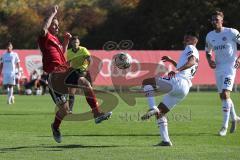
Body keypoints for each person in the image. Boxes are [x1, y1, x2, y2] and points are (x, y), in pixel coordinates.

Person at [37, 5, 111, 143]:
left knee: (85, 83)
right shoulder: (45, 37)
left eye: (58, 25)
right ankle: (55, 126)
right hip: (54, 77)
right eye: (54, 25)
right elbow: (43, 29)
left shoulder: (55, 40)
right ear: (49, 24)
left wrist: (64, 43)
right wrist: (52, 14)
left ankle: (97, 113)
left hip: (64, 72)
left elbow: (62, 57)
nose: (57, 28)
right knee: (64, 111)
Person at [141, 31, 199, 146]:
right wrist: (172, 61)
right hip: (184, 89)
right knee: (161, 113)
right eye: (184, 38)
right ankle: (166, 140)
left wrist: (177, 70)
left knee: (147, 82)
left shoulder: (190, 47)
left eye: (188, 37)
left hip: (179, 81)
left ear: (195, 40)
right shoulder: (194, 51)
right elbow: (188, 65)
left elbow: (191, 62)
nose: (185, 40)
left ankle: (152, 107)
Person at [205, 11, 240, 136]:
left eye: (217, 19)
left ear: (222, 20)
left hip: (230, 67)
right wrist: (210, 61)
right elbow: (208, 51)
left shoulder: (232, 32)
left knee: (225, 94)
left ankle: (224, 127)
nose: (214, 21)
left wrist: (239, 59)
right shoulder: (210, 36)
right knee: (223, 97)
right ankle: (235, 117)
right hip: (218, 68)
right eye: (213, 20)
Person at [67, 36, 100, 115]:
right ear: (71, 43)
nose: (75, 44)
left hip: (82, 70)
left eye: (77, 42)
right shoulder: (69, 52)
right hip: (73, 70)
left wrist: (86, 69)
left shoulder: (83, 50)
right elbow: (68, 63)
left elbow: (90, 60)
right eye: (74, 42)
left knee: (86, 87)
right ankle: (70, 110)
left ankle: (94, 105)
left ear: (79, 43)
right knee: (71, 91)